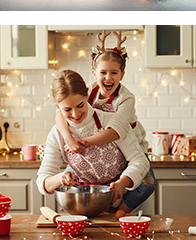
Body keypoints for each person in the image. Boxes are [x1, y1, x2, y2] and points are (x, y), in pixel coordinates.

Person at [54, 30, 155, 218]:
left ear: (122, 75)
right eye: (103, 72)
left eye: (114, 73)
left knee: (148, 184)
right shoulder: (88, 90)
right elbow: (60, 113)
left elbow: (115, 131)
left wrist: (83, 142)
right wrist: (69, 139)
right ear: (94, 73)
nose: (108, 78)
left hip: (130, 145)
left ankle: (120, 210)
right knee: (72, 176)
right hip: (99, 149)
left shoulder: (126, 99)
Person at [37, 69, 150, 217]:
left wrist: (122, 183)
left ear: (87, 95)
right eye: (67, 109)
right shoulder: (57, 134)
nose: (75, 114)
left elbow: (140, 160)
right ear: (58, 108)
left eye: (80, 105)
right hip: (81, 209)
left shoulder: (111, 122)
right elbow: (43, 180)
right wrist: (60, 178)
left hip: (122, 206)